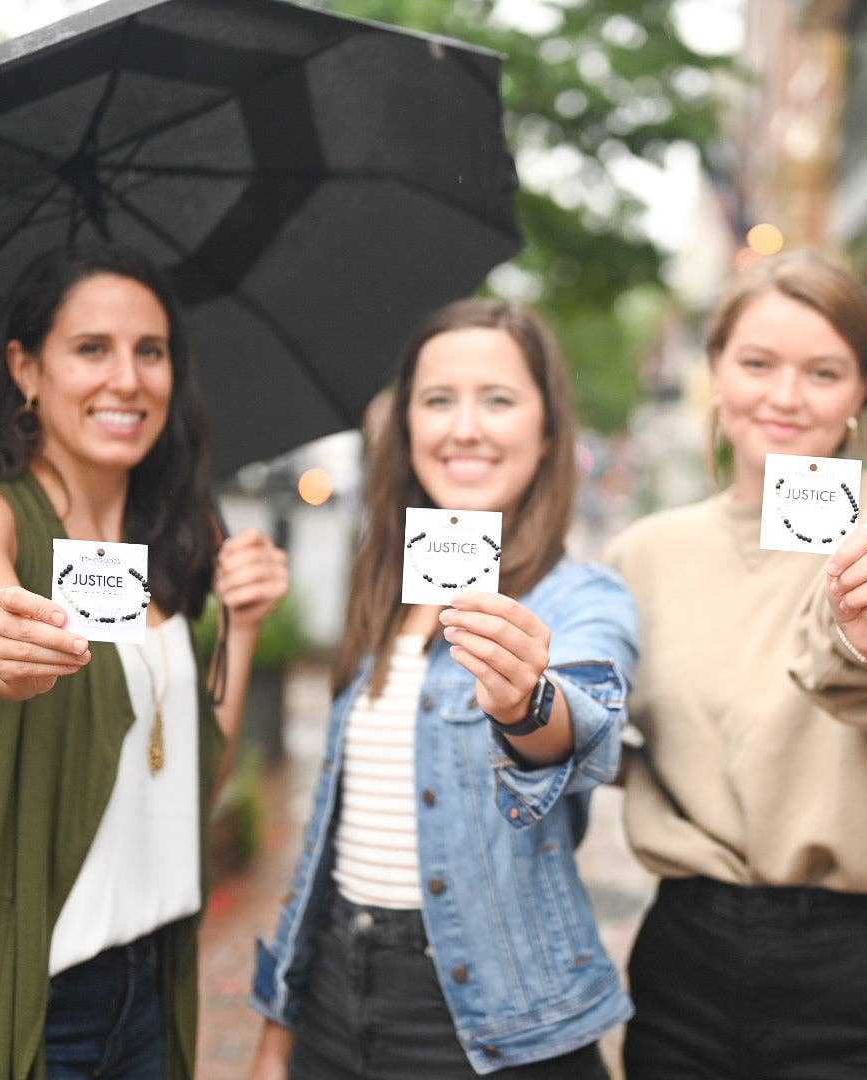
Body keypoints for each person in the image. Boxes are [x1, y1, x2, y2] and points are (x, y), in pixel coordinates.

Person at [0, 244, 289, 1080]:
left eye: (150, 351)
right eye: (92, 348)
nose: (126, 378)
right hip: (21, 997)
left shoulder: (162, 544)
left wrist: (240, 627)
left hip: (151, 989)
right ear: (26, 368)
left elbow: (191, 778)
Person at [605, 250, 867, 1079]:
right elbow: (587, 726)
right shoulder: (645, 554)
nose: (784, 396)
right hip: (686, 957)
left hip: (862, 964)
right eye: (757, 364)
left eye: (823, 371)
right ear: (714, 371)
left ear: (862, 392)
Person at [247, 298, 636, 1080]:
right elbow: (333, 832)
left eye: (497, 399)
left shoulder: (580, 597)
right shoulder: (382, 593)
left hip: (495, 1023)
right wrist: (278, 1030)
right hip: (331, 999)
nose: (465, 427)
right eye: (437, 400)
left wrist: (526, 700)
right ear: (406, 426)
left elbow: (585, 724)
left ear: (549, 431)